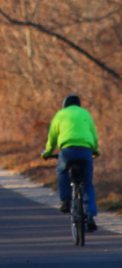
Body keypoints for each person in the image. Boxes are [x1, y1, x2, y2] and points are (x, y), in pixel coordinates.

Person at [41, 94, 100, 232]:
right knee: (87, 183)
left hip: (66, 151)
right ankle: (91, 216)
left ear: (65, 105)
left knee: (62, 171)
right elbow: (94, 135)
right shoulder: (85, 113)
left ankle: (66, 201)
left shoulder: (60, 114)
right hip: (85, 151)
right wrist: (95, 150)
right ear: (78, 105)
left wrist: (47, 153)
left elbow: (52, 138)